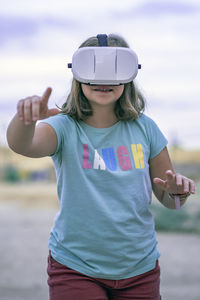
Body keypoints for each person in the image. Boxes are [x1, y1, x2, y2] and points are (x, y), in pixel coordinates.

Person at [7, 34, 195, 300]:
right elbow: (23, 146)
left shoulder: (146, 129)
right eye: (94, 70)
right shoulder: (64, 127)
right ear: (78, 75)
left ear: (129, 76)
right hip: (75, 267)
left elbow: (170, 201)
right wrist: (25, 120)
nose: (103, 80)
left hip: (140, 268)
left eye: (114, 69)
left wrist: (178, 193)